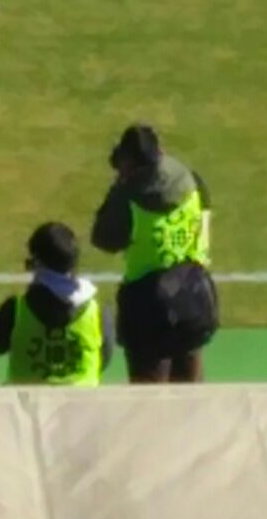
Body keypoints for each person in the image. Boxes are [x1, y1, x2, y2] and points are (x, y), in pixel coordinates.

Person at [91, 125, 217, 383]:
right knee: (192, 385)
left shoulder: (127, 197)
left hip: (147, 304)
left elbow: (103, 239)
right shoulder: (191, 180)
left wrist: (117, 189)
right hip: (193, 294)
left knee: (148, 394)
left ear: (128, 164)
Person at [0, 222, 114, 385]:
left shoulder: (16, 309)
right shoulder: (98, 311)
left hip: (27, 399)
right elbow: (104, 359)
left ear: (37, 262)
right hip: (84, 399)